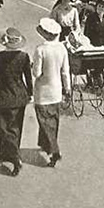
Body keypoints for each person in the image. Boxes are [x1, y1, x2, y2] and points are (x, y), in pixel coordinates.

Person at [0, 27, 33, 176]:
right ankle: (14, 154)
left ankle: (9, 156)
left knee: (3, 128)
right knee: (15, 128)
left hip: (3, 96)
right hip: (19, 96)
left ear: (4, 42)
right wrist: (30, 93)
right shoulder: (24, 57)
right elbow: (28, 77)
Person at [31, 18, 70, 168]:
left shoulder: (40, 49)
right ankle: (46, 145)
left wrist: (33, 65)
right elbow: (65, 72)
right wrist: (67, 89)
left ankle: (54, 150)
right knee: (52, 121)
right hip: (56, 90)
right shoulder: (62, 49)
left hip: (43, 91)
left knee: (44, 121)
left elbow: (37, 73)